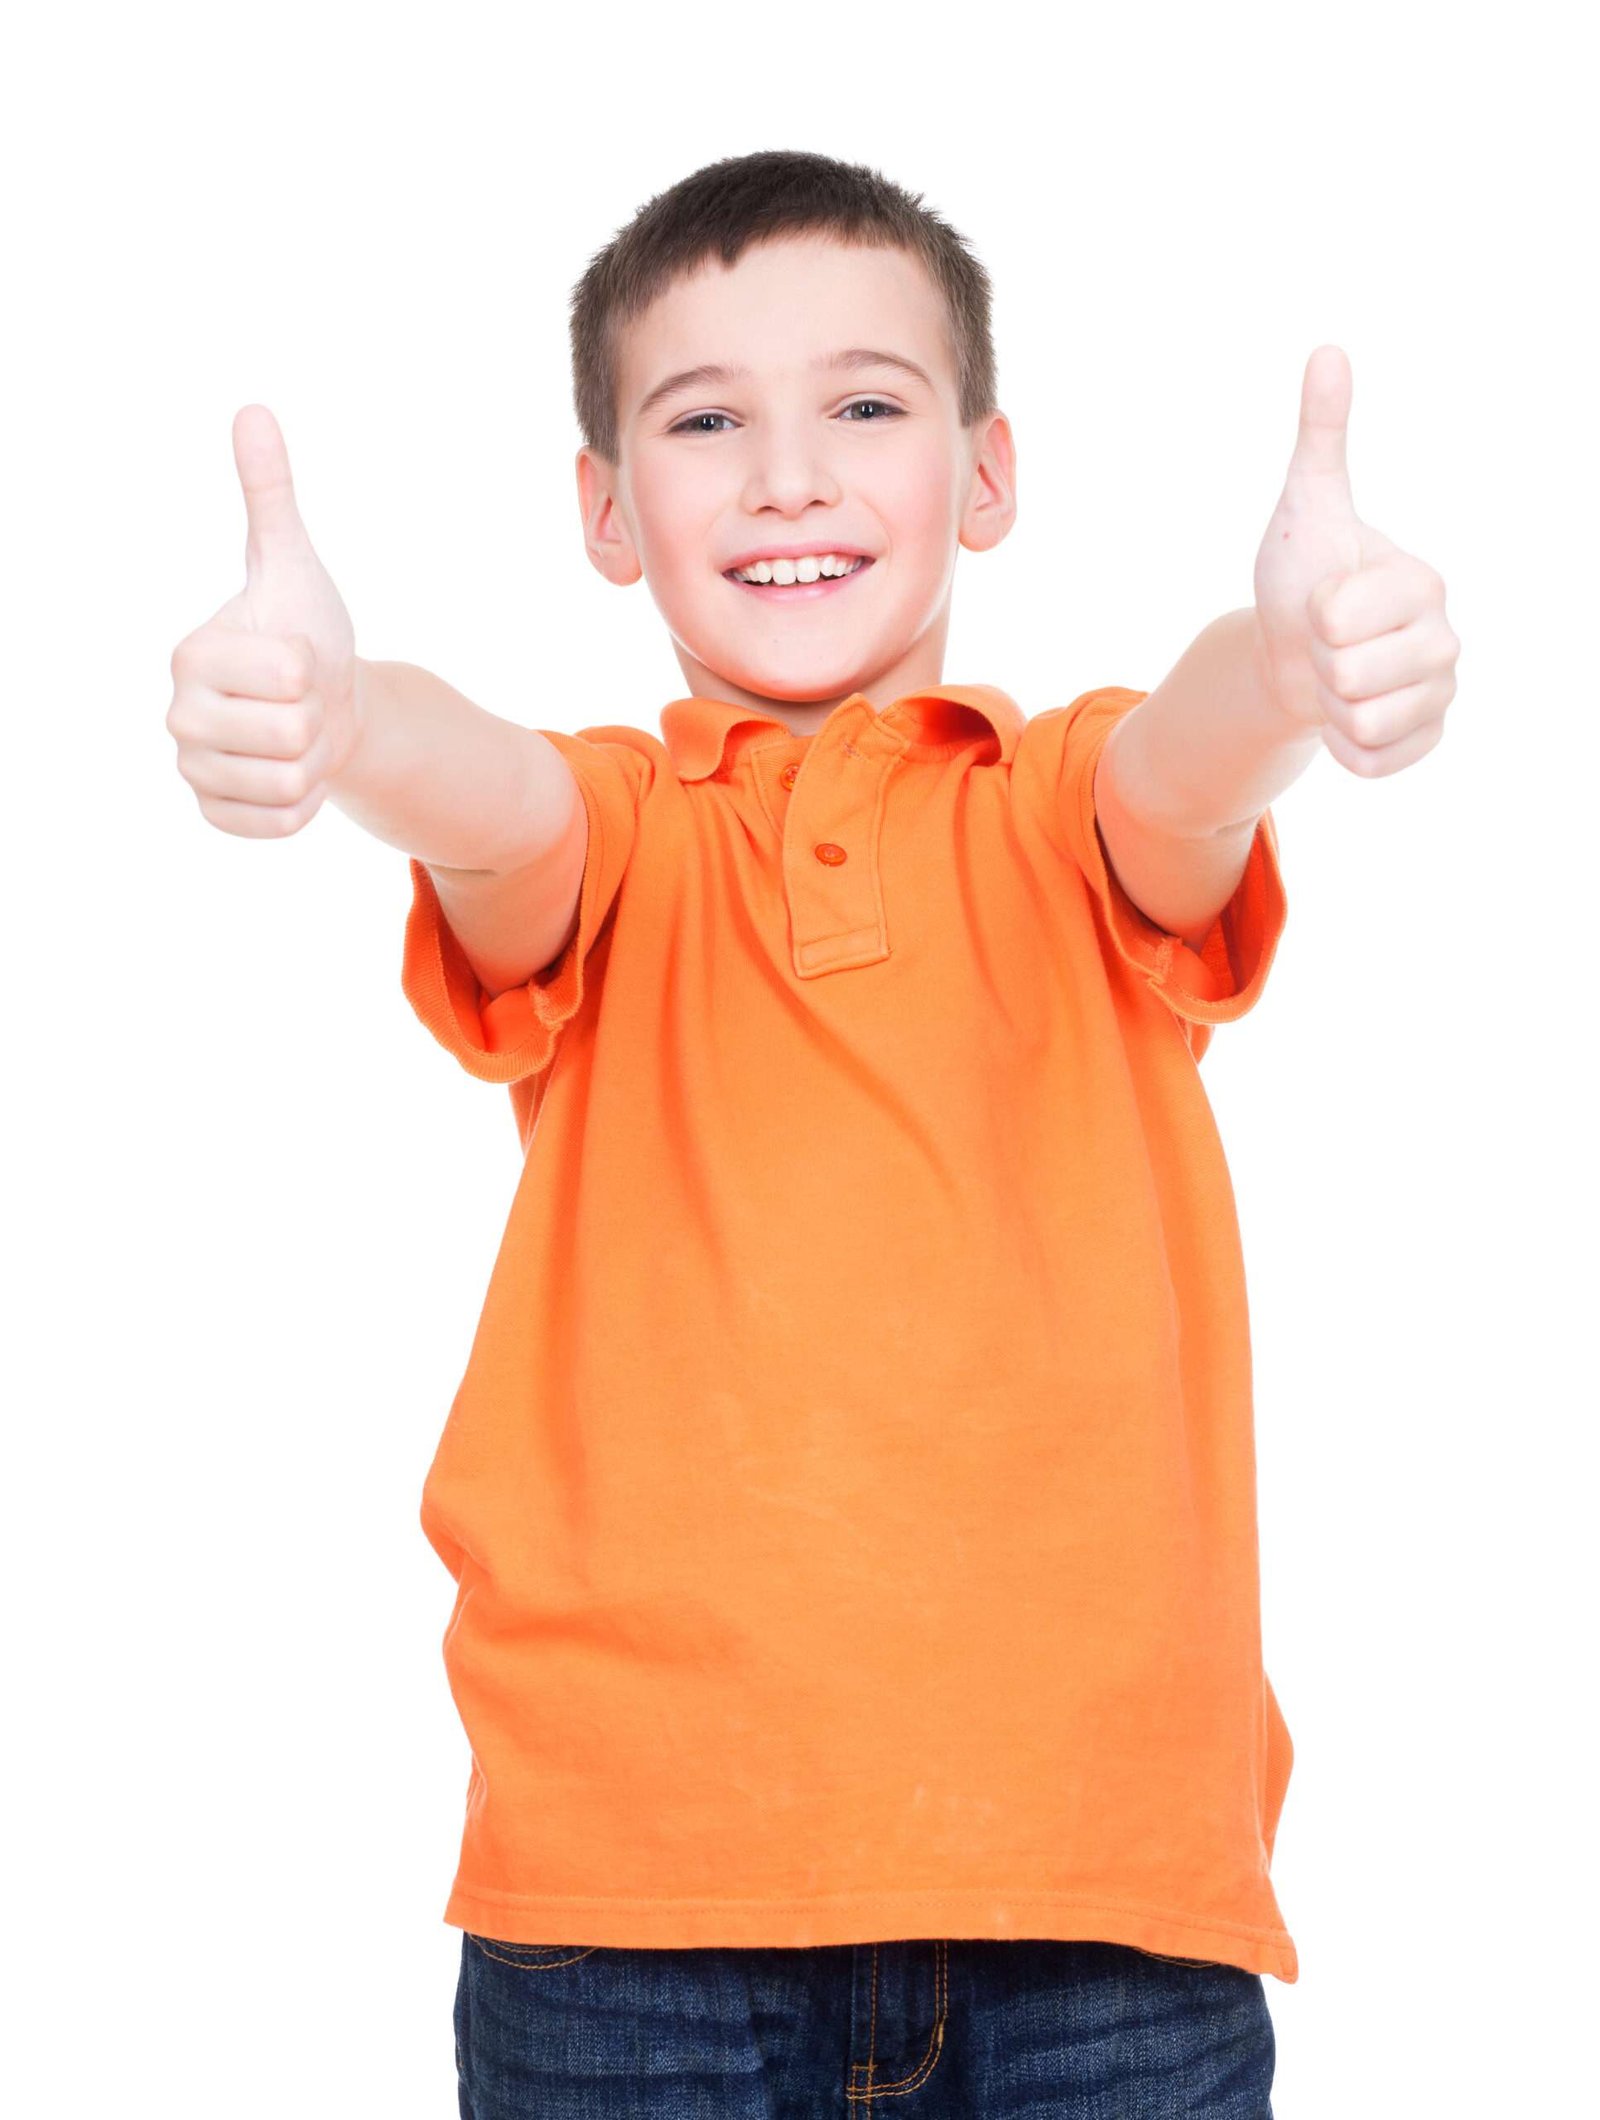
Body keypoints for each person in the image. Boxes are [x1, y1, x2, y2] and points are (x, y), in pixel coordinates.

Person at [165, 147, 1459, 2118]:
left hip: (1099, 1912)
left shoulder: (1058, 806)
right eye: (705, 422)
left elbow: (1187, 778)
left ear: (986, 474)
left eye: (865, 404)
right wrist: (344, 727)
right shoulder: (614, 836)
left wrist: (1284, 673)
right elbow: (490, 806)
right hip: (627, 1928)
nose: (786, 474)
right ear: (606, 509)